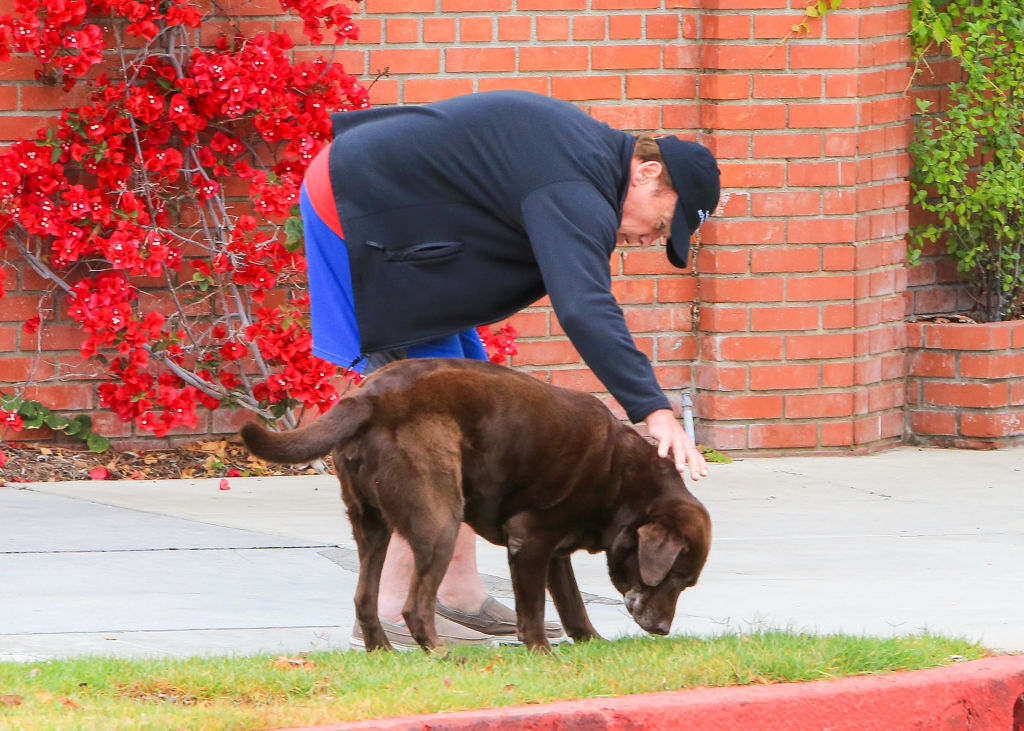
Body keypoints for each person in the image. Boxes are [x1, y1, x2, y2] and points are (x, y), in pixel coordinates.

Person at [299, 90, 720, 648]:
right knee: (423, 434)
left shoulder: (587, 169)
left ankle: (459, 594)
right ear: (645, 174)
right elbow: (583, 306)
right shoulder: (576, 189)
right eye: (663, 224)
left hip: (404, 217)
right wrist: (654, 410)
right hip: (360, 206)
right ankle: (391, 611)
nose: (651, 240)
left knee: (474, 416)